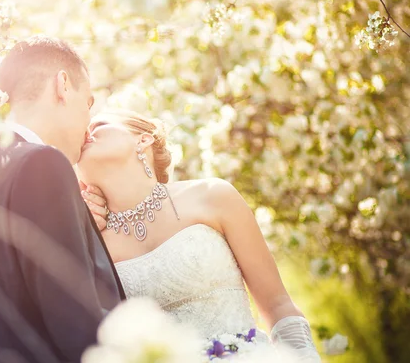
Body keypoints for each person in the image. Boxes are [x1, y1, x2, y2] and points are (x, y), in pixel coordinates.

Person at [78, 109, 321, 361]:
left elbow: (278, 305)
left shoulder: (213, 196)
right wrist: (79, 224)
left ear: (143, 139)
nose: (86, 132)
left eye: (98, 125)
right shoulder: (89, 242)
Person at [0, 36, 125, 363]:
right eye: (88, 103)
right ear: (63, 85)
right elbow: (74, 323)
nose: (88, 123)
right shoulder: (43, 163)